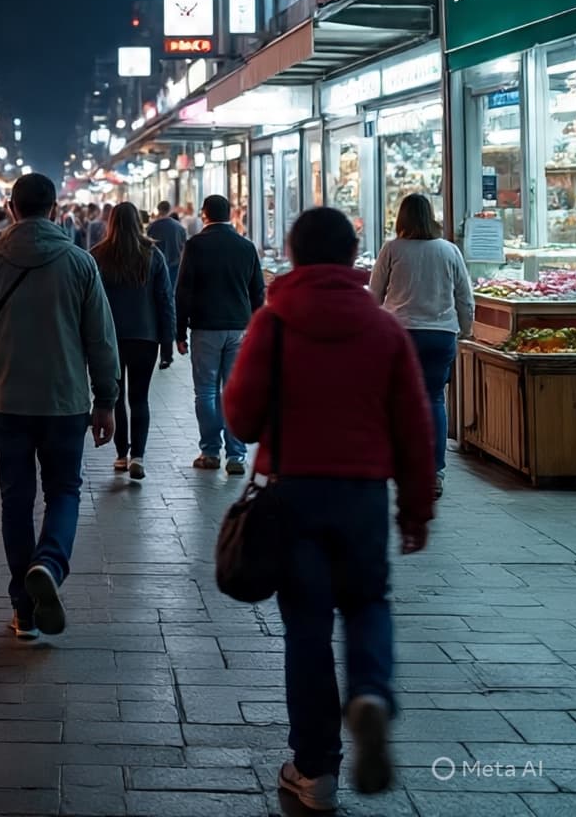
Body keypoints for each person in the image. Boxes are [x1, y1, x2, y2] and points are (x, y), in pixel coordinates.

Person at [224, 207, 434, 812]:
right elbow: (415, 426)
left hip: (294, 495)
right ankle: (369, 692)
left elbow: (239, 416)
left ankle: (315, 771)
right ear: (353, 255)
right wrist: (415, 509)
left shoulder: (275, 323)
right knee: (367, 602)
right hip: (364, 495)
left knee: (307, 630)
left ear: (292, 253)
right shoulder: (383, 327)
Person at [0, 173, 119, 639]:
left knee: (16, 500)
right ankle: (49, 562)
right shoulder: (79, 262)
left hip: (5, 401)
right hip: (65, 401)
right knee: (64, 491)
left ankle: (23, 610)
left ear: (11, 208)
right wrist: (106, 401)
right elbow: (101, 341)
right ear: (54, 210)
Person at [369, 194, 475, 498]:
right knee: (434, 401)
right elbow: (464, 297)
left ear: (402, 218)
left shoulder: (392, 249)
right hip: (440, 335)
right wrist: (465, 330)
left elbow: (374, 294)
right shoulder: (449, 250)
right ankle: (433, 473)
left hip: (399, 333)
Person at [175, 193, 264, 475]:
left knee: (206, 391)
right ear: (231, 214)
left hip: (205, 327)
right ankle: (236, 456)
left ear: (204, 215)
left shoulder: (195, 245)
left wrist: (179, 330)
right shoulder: (246, 247)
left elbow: (183, 290)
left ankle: (210, 451)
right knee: (233, 391)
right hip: (239, 327)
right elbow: (257, 291)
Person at [92, 203, 175, 481]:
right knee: (139, 398)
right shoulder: (153, 254)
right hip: (145, 336)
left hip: (109, 338)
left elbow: (89, 304)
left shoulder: (98, 256)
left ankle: (120, 456)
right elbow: (165, 301)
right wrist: (167, 344)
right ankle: (138, 455)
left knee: (114, 398)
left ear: (111, 222)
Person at [146, 201, 185, 367]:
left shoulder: (152, 227)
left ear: (158, 210)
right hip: (175, 269)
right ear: (169, 210)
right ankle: (167, 354)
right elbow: (184, 249)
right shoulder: (179, 227)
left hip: (155, 270)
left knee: (157, 307)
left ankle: (161, 350)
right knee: (170, 308)